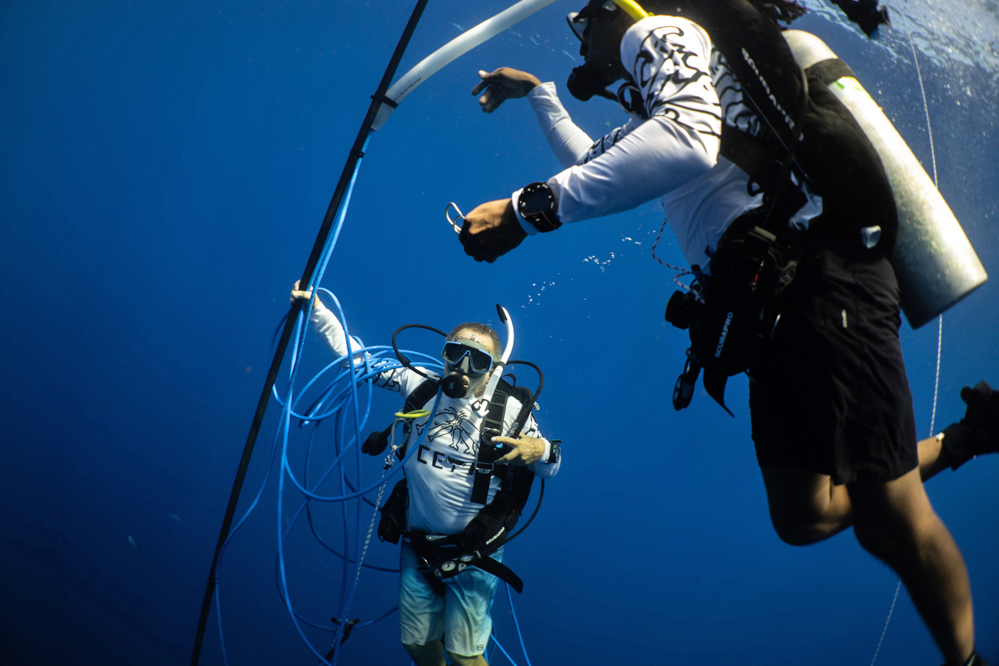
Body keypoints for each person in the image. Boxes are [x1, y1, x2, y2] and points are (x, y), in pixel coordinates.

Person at [456, 1, 997, 664]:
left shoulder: (658, 30)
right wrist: (541, 95)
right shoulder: (655, 104)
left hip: (820, 279)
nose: (578, 35)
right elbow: (593, 157)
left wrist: (524, 211)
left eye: (581, 20)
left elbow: (685, 141)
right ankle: (972, 436)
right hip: (767, 306)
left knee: (888, 520)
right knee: (803, 516)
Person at [291, 283, 561, 666]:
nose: (462, 368)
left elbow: (551, 466)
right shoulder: (419, 386)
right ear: (443, 354)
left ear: (493, 370)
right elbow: (357, 359)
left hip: (475, 551)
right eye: (455, 353)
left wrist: (541, 449)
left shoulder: (512, 411)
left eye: (477, 360)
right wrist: (317, 309)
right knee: (416, 644)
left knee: (465, 656)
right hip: (418, 545)